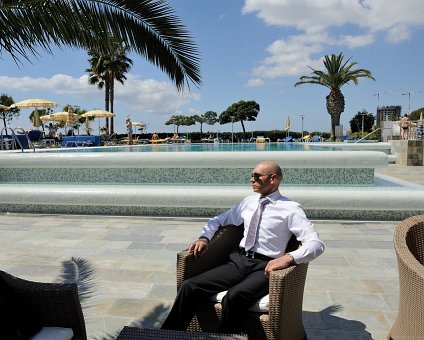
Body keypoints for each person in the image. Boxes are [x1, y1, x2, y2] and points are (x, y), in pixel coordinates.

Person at [162, 161, 325, 334]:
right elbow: (218, 220)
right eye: (251, 176)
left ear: (273, 179)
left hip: (265, 267)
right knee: (190, 286)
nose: (251, 180)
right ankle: (166, 335)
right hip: (239, 261)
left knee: (234, 297)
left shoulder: (290, 209)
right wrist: (204, 238)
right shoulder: (248, 202)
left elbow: (316, 244)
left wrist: (289, 257)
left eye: (256, 176)